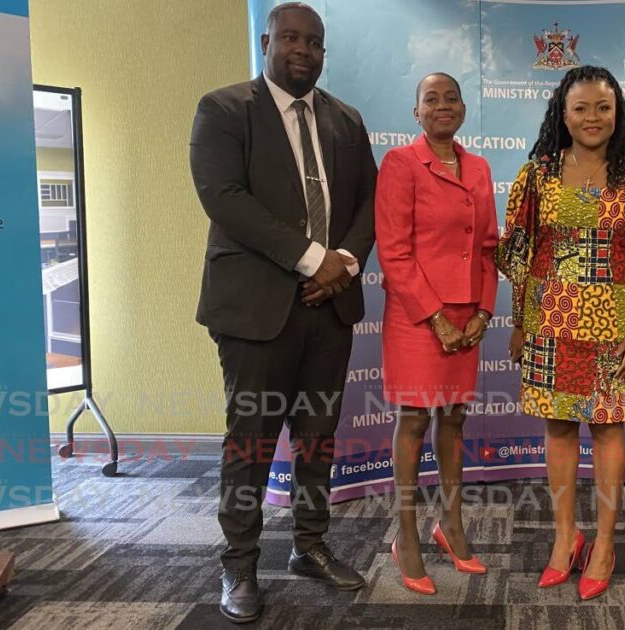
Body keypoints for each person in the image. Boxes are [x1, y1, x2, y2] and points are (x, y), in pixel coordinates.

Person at [189, 2, 376, 623]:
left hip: (330, 307)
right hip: (256, 309)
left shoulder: (346, 119)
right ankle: (239, 563)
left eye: (314, 41)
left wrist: (341, 261)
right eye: (291, 37)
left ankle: (310, 546)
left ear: (324, 51)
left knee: (317, 439)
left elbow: (369, 202)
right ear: (266, 41)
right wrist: (309, 258)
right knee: (253, 441)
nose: (303, 49)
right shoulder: (224, 109)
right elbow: (224, 198)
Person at [497, 65, 625, 600]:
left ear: (618, 112)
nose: (592, 118)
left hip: (615, 327)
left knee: (606, 430)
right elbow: (521, 255)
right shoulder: (537, 174)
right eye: (580, 108)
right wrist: (517, 323)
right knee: (558, 428)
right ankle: (565, 538)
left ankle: (603, 543)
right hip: (549, 320)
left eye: (603, 107)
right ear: (563, 114)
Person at [374, 72, 498, 595]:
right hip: (418, 316)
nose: (442, 106)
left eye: (451, 98)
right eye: (431, 99)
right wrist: (437, 318)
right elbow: (394, 252)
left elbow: (489, 247)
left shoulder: (479, 166)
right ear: (416, 112)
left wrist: (484, 313)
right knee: (415, 421)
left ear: (463, 109)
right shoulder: (401, 164)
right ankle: (406, 535)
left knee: (455, 421)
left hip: (468, 316)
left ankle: (451, 526)